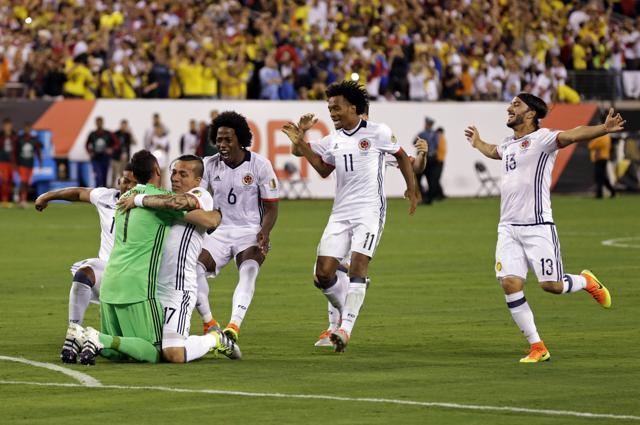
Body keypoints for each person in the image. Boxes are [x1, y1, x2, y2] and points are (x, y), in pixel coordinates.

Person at [465, 93, 624, 363]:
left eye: (516, 105)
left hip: (538, 226)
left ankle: (586, 281)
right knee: (510, 284)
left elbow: (573, 135)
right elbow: (495, 152)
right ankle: (537, 346)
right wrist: (478, 142)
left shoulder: (543, 139)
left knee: (551, 285)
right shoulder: (509, 144)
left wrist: (602, 129)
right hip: (508, 228)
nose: (509, 108)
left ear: (530, 114)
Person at [281, 81, 417, 352]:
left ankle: (345, 329)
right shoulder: (333, 139)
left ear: (353, 108)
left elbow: (402, 157)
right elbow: (321, 169)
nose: (331, 112)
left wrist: (412, 189)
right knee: (323, 274)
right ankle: (348, 307)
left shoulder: (378, 132)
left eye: (336, 107)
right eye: (329, 107)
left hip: (369, 211)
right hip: (340, 213)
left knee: (357, 266)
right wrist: (303, 140)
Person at [76, 150, 237, 365]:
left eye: (183, 174)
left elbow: (184, 207)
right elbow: (179, 208)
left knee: (173, 354)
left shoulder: (200, 195)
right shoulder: (161, 199)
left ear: (198, 180)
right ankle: (98, 341)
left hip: (178, 289)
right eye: (174, 172)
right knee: (144, 348)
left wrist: (139, 199)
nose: (176, 177)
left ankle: (215, 339)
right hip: (151, 289)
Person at [34, 165, 138, 363]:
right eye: (126, 180)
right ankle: (73, 332)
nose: (129, 185)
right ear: (118, 181)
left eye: (134, 182)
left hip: (134, 278)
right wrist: (48, 196)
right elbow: (78, 192)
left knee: (134, 340)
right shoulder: (105, 197)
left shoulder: (146, 205)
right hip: (106, 271)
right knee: (83, 274)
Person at [195, 111, 279, 343]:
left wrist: (264, 232)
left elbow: (271, 207)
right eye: (219, 139)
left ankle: (234, 325)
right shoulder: (208, 165)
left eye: (227, 139)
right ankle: (209, 323)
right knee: (193, 268)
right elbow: (197, 198)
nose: (222, 144)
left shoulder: (260, 165)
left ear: (240, 140)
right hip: (218, 231)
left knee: (249, 269)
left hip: (249, 231)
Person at [86, 116, 117, 188]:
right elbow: (87, 145)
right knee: (98, 176)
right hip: (95, 159)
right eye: (97, 122)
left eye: (100, 122)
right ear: (95, 123)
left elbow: (116, 144)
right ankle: (96, 192)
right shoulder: (92, 134)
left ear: (103, 123)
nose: (99, 124)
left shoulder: (108, 133)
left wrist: (111, 149)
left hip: (105, 158)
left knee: (104, 177)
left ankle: (104, 192)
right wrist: (90, 152)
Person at [16, 123, 42, 207]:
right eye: (25, 128)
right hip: (22, 164)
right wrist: (15, 164)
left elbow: (38, 151)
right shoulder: (20, 139)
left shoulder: (33, 140)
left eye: (28, 128)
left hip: (30, 164)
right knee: (23, 182)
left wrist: (40, 162)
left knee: (27, 182)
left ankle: (23, 199)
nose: (27, 130)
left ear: (30, 129)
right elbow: (15, 152)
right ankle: (21, 199)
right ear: (24, 129)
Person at [416, 117, 440, 204]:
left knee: (418, 179)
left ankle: (422, 196)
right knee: (431, 180)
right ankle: (429, 199)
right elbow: (437, 145)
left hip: (423, 158)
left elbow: (414, 142)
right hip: (433, 158)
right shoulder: (435, 134)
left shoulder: (422, 134)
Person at [588, 133, 616, 198]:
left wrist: (592, 141)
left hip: (600, 158)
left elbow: (591, 145)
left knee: (599, 177)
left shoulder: (601, 136)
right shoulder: (606, 137)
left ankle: (599, 194)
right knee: (602, 176)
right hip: (603, 158)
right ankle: (612, 191)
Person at [111, 119, 135, 188]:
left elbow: (134, 142)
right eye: (123, 125)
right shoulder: (115, 134)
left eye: (125, 126)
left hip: (125, 160)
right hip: (116, 158)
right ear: (120, 125)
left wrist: (131, 133)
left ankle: (122, 189)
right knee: (114, 175)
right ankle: (112, 189)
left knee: (124, 176)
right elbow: (111, 145)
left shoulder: (128, 135)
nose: (124, 127)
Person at [0, 118, 17, 207]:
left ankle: (8, 199)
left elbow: (17, 149)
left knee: (10, 181)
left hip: (12, 162)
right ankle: (4, 200)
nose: (7, 127)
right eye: (6, 125)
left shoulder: (14, 135)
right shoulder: (1, 135)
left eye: (9, 125)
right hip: (2, 162)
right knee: (4, 181)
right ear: (3, 126)